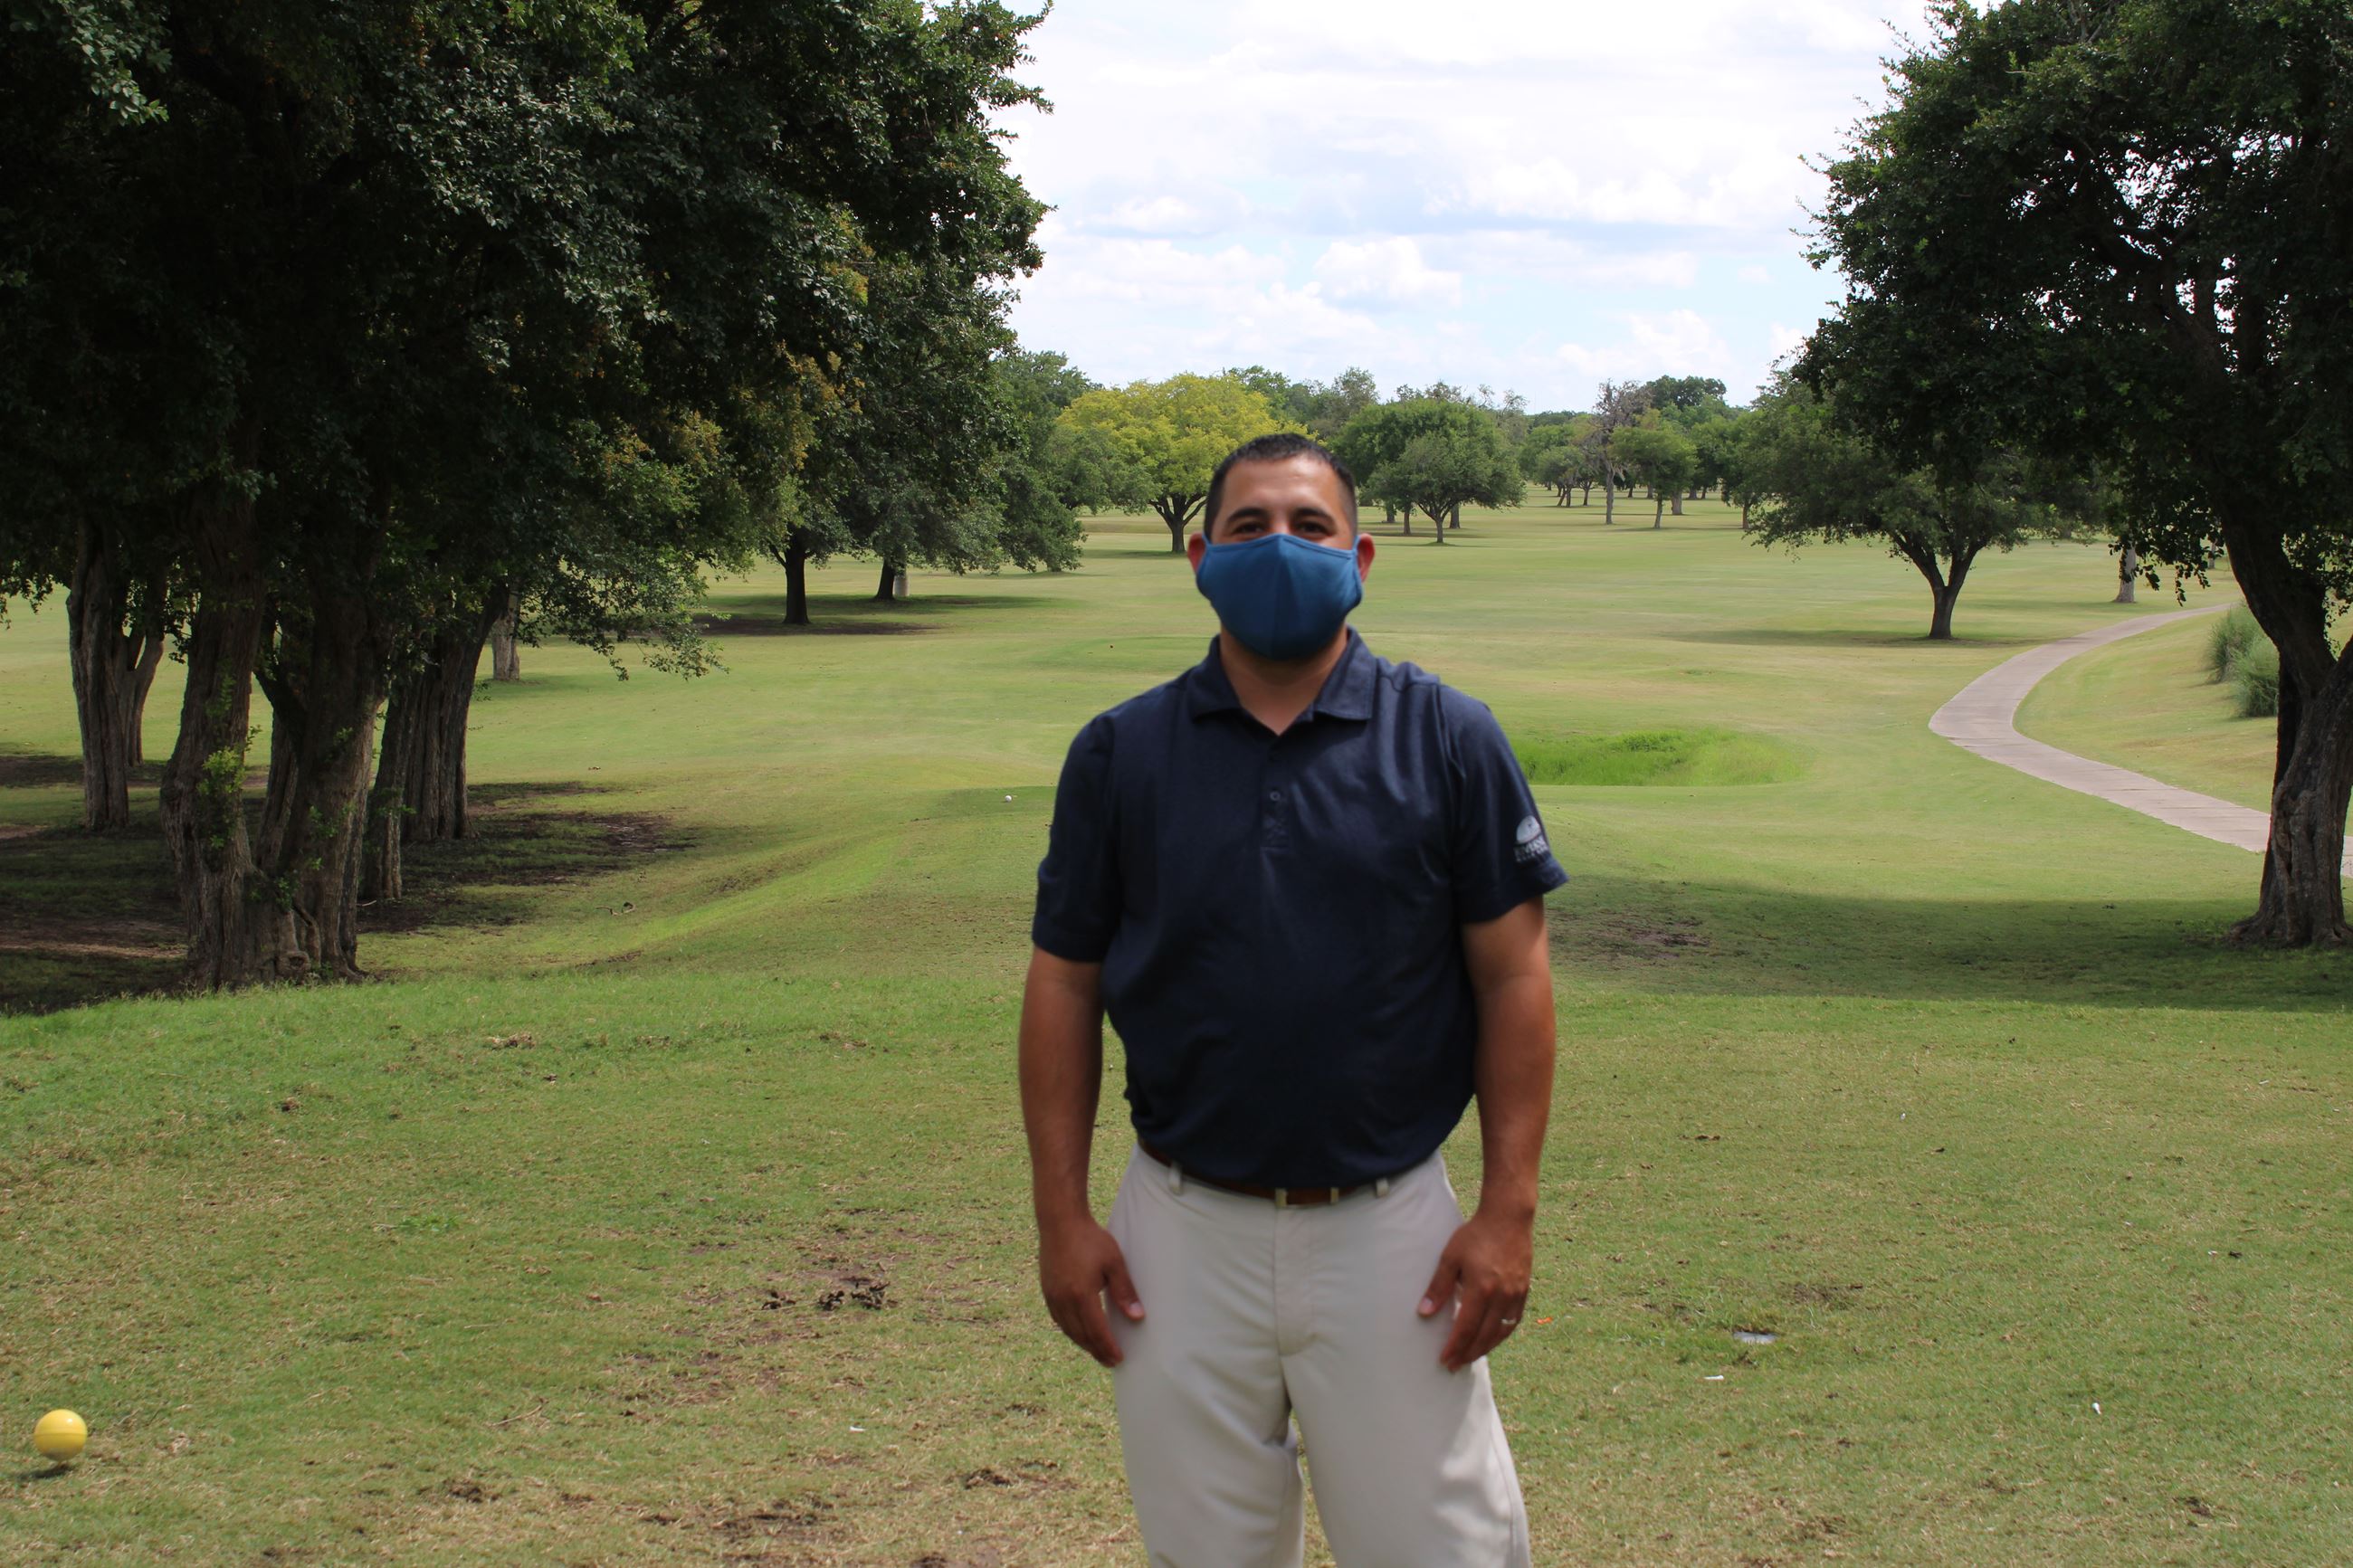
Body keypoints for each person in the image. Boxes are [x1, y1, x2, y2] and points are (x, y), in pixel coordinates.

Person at [1018, 432, 1565, 1567]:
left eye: (1309, 527)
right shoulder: (1120, 752)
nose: (1279, 547)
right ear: (1198, 556)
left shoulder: (1447, 738)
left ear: (1359, 555)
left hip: (1393, 1230)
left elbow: (1513, 975)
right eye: (1249, 525)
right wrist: (1061, 1215)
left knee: (1442, 1550)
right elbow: (1063, 981)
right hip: (1176, 1228)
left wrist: (1506, 1208)